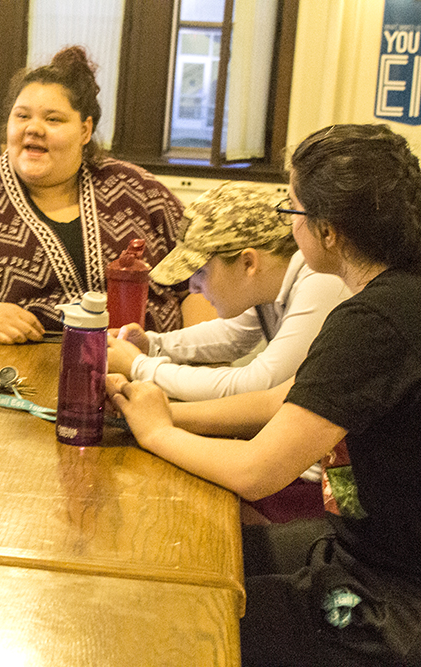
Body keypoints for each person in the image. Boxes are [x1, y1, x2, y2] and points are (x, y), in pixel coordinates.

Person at [106, 124, 421, 665]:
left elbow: (259, 470)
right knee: (188, 560)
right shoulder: (397, 292)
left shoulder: (375, 318)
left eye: (292, 211)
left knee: (177, 619)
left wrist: (158, 430)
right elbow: (291, 401)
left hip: (389, 598)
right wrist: (170, 417)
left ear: (330, 230)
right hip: (358, 549)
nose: (287, 226)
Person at [0, 46, 189, 344]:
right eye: (22, 116)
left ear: (85, 130)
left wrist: (191, 358)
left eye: (53, 119)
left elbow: (199, 282)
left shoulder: (138, 189)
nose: (33, 128)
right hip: (11, 371)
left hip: (146, 366)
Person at [107, 181, 349, 402]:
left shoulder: (321, 281)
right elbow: (231, 336)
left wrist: (139, 367)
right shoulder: (271, 281)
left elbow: (258, 385)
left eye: (200, 271)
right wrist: (152, 344)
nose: (192, 287)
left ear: (248, 263)